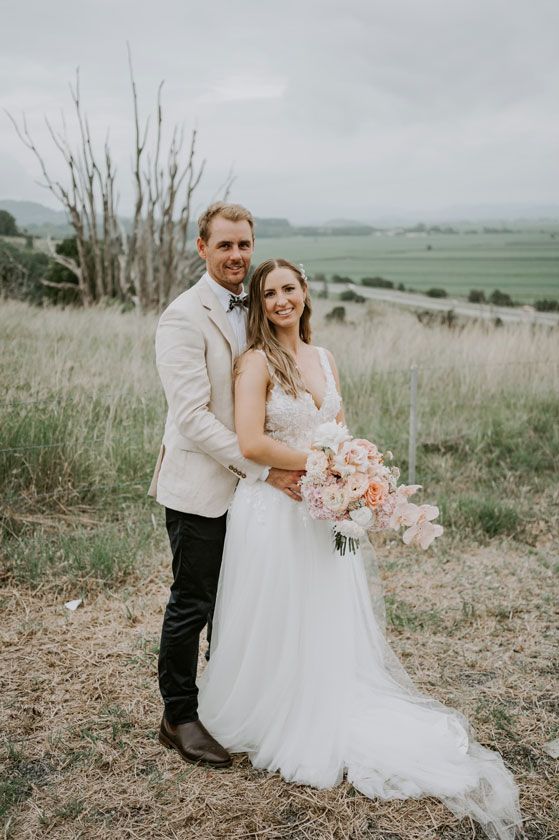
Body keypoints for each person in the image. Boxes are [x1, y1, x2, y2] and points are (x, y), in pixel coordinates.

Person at [198, 258, 522, 840]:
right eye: (268, 293)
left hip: (323, 508)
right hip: (275, 511)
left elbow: (340, 426)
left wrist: (352, 469)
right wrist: (329, 463)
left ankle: (326, 694)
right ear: (258, 303)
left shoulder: (324, 358)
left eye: (288, 289)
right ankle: (276, 707)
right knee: (280, 610)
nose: (280, 301)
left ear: (305, 293)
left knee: (324, 609)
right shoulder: (254, 362)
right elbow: (251, 440)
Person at [149, 204, 302, 768]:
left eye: (244, 245)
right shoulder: (183, 317)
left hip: (252, 496)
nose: (236, 256)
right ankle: (179, 716)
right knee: (194, 601)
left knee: (239, 602)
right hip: (203, 485)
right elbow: (191, 416)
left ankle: (231, 703)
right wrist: (261, 467)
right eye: (224, 246)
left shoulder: (258, 308)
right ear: (201, 247)